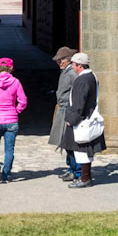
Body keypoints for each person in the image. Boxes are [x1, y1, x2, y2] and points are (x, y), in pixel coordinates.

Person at [61, 49, 105, 188]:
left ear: (79, 65)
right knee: (84, 152)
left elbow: (80, 102)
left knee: (82, 151)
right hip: (87, 117)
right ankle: (85, 177)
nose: (72, 67)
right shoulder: (92, 76)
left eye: (73, 64)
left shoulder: (83, 79)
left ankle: (85, 179)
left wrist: (72, 119)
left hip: (82, 120)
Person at [48, 46, 81, 183]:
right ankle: (71, 168)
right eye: (58, 60)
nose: (59, 62)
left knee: (70, 142)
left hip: (68, 108)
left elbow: (78, 92)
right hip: (62, 108)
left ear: (68, 60)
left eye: (61, 60)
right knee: (65, 141)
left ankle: (76, 171)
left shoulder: (72, 74)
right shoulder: (66, 72)